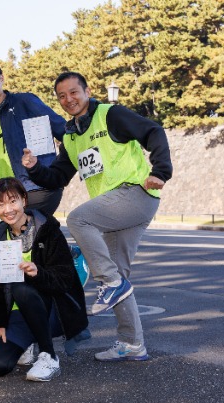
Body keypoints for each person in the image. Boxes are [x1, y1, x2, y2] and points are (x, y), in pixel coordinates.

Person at [23, 71, 173, 361]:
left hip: (135, 193)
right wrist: (34, 168)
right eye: (62, 96)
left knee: (78, 219)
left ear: (87, 91)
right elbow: (58, 177)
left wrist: (161, 171)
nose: (68, 99)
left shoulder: (110, 115)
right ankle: (132, 343)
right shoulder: (70, 136)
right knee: (118, 273)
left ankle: (110, 282)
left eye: (73, 92)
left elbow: (153, 131)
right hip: (113, 208)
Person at [0, 178, 88, 381]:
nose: (8, 209)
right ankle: (27, 342)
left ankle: (49, 355)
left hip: (52, 311)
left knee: (21, 288)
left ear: (24, 200)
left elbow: (65, 278)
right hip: (18, 314)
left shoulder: (47, 229)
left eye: (13, 201)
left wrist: (39, 272)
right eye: (1, 204)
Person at [0, 60, 66, 216]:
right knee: (27, 230)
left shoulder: (24, 102)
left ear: (1, 78)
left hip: (37, 187)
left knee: (27, 226)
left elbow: (62, 129)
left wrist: (62, 168)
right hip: (4, 193)